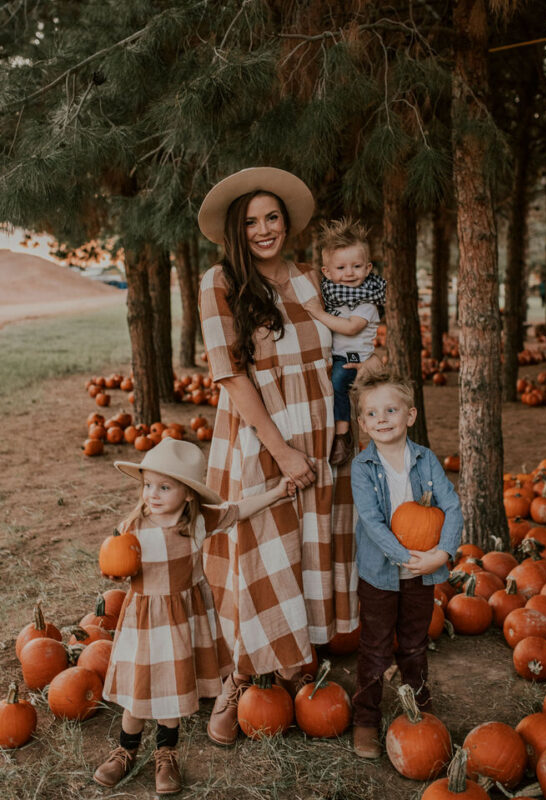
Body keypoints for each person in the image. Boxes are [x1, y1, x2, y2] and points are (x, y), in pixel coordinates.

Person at [197, 167, 359, 746]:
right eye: (251, 222)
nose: (264, 230)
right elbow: (230, 376)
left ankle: (294, 665)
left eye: (272, 217)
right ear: (236, 233)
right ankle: (238, 679)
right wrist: (282, 450)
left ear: (286, 222)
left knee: (306, 544)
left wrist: (345, 421)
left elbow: (349, 353)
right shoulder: (218, 282)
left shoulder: (315, 280)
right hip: (259, 434)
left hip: (318, 429)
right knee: (256, 549)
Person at [94, 438, 295, 793]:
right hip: (144, 622)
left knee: (170, 692)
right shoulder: (133, 526)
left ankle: (165, 754)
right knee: (137, 695)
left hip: (180, 623)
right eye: (148, 485)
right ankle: (125, 751)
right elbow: (117, 562)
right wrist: (114, 572)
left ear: (188, 493)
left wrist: (278, 492)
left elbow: (239, 510)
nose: (152, 494)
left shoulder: (199, 522)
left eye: (164, 487)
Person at [349, 363, 463, 759]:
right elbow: (372, 523)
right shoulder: (362, 468)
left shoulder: (426, 460)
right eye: (372, 413)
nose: (382, 419)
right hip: (380, 574)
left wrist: (441, 555)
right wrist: (407, 557)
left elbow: (452, 505)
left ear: (410, 415)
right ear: (362, 423)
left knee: (414, 644)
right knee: (376, 647)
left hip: (424, 573)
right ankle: (365, 718)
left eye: (391, 410)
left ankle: (419, 709)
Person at [304, 218, 386, 466]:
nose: (349, 273)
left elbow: (351, 328)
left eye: (357, 266)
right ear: (327, 272)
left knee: (338, 383)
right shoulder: (334, 297)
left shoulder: (367, 301)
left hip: (353, 358)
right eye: (341, 268)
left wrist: (318, 313)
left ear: (368, 267)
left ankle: (342, 435)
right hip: (335, 354)